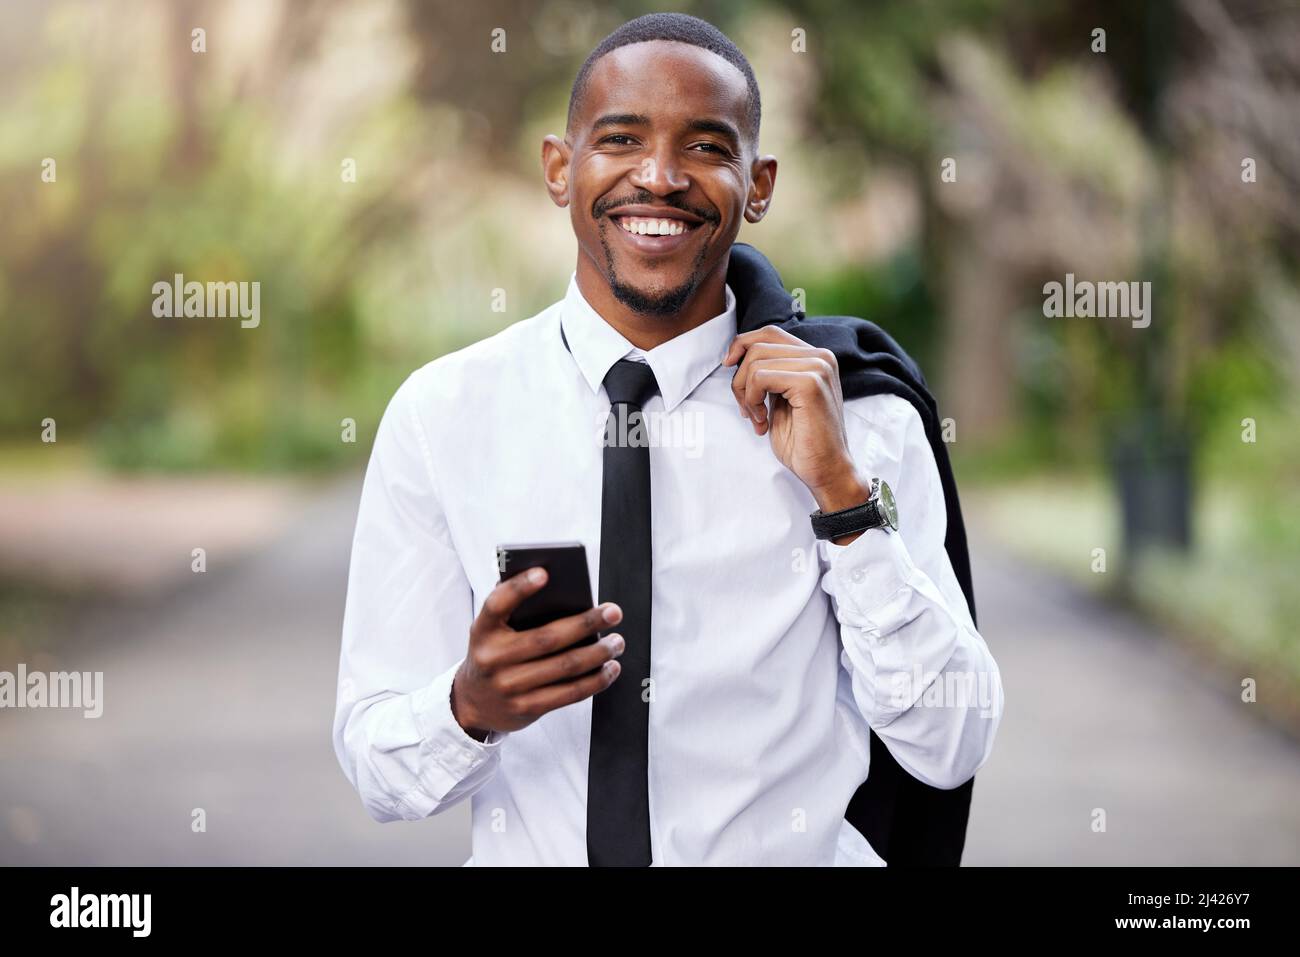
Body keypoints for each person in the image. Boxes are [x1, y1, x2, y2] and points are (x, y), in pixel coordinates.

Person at [333, 12, 1003, 866]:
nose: (659, 177)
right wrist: (469, 707)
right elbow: (375, 762)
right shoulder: (442, 416)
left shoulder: (859, 417)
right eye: (620, 139)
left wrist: (842, 501)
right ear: (558, 168)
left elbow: (952, 745)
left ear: (757, 185)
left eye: (706, 148)